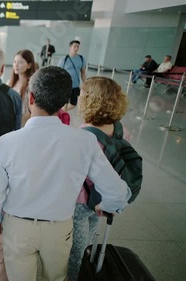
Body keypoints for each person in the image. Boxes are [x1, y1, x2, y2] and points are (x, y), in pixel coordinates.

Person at [0, 66, 131, 281]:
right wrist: (104, 206)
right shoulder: (84, 141)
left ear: (31, 97)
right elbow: (118, 192)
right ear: (64, 102)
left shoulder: (7, 142)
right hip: (59, 228)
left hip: (18, 227)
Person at [67, 76, 129, 281]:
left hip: (82, 199)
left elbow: (76, 172)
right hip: (103, 199)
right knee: (90, 236)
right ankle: (86, 267)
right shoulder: (122, 131)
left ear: (91, 100)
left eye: (83, 94)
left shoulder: (84, 134)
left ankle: (74, 277)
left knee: (75, 247)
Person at [8, 49, 36, 126]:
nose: (16, 65)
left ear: (29, 65)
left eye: (20, 62)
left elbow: (30, 112)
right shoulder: (10, 83)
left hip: (23, 124)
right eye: (14, 62)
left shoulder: (32, 86)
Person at [58, 40, 86, 111]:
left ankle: (61, 112)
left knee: (73, 104)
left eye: (78, 47)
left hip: (76, 85)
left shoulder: (81, 59)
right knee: (65, 103)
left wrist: (84, 83)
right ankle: (62, 116)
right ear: (70, 47)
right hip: (66, 85)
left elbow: (83, 72)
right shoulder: (64, 59)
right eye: (75, 46)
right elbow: (58, 72)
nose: (76, 48)